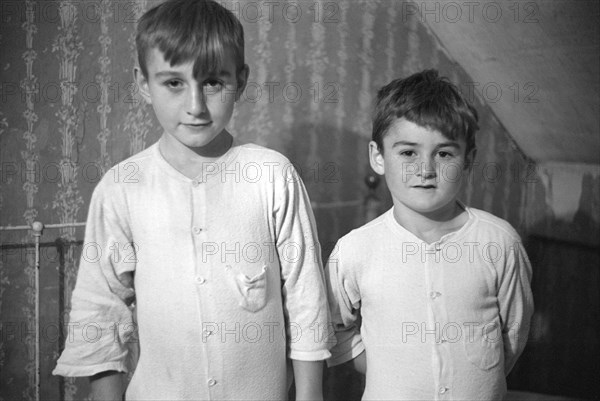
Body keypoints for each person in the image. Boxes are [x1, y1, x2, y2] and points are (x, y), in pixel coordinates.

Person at [53, 1, 332, 399]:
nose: (196, 106)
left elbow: (306, 297)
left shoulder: (272, 175)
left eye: (213, 82)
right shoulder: (122, 187)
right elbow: (100, 313)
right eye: (173, 83)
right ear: (143, 83)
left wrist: (310, 396)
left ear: (241, 80)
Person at [325, 69, 534, 400]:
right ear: (378, 157)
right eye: (408, 152)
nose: (426, 169)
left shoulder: (500, 243)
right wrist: (382, 365)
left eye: (445, 153)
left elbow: (514, 333)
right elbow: (334, 329)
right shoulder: (354, 250)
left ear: (468, 160)